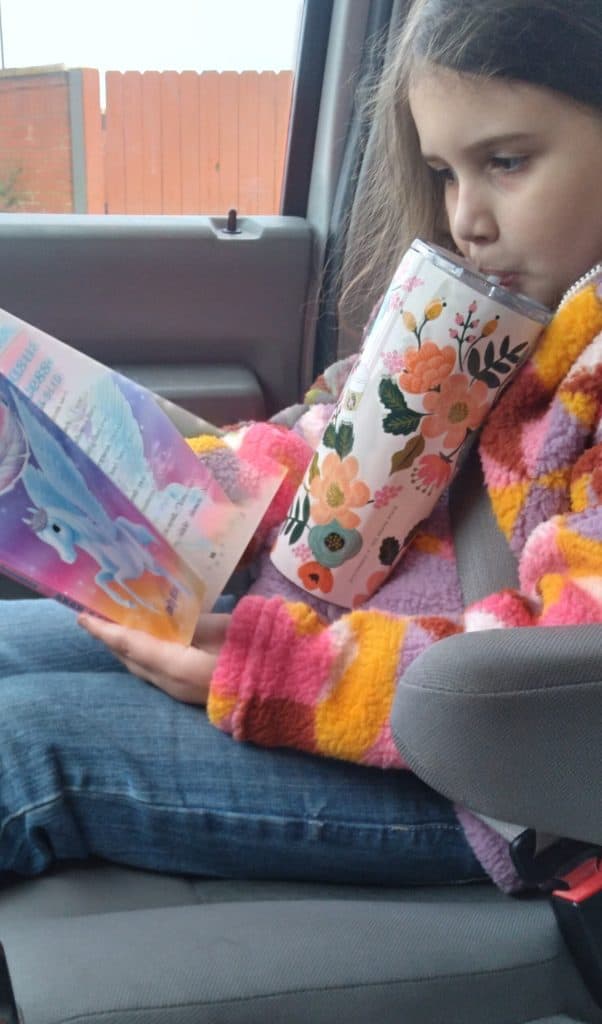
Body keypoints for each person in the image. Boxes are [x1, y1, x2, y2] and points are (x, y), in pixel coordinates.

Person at [1, 0, 600, 891]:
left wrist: (278, 664)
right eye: (444, 173)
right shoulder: (490, 316)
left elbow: (552, 675)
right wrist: (185, 492)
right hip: (338, 640)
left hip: (487, 781)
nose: (465, 218)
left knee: (19, 745)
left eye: (506, 162)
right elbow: (334, 448)